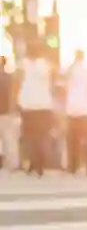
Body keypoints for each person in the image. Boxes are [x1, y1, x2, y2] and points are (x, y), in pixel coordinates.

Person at [17, 40, 54, 177]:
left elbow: (18, 81)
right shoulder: (46, 65)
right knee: (41, 136)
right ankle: (39, 164)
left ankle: (34, 163)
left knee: (29, 137)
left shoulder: (24, 65)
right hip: (44, 106)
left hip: (28, 107)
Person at [0, 56, 20, 172]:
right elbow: (13, 95)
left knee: (6, 139)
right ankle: (13, 164)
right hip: (8, 112)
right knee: (10, 139)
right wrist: (13, 109)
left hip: (5, 112)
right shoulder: (10, 78)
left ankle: (4, 162)